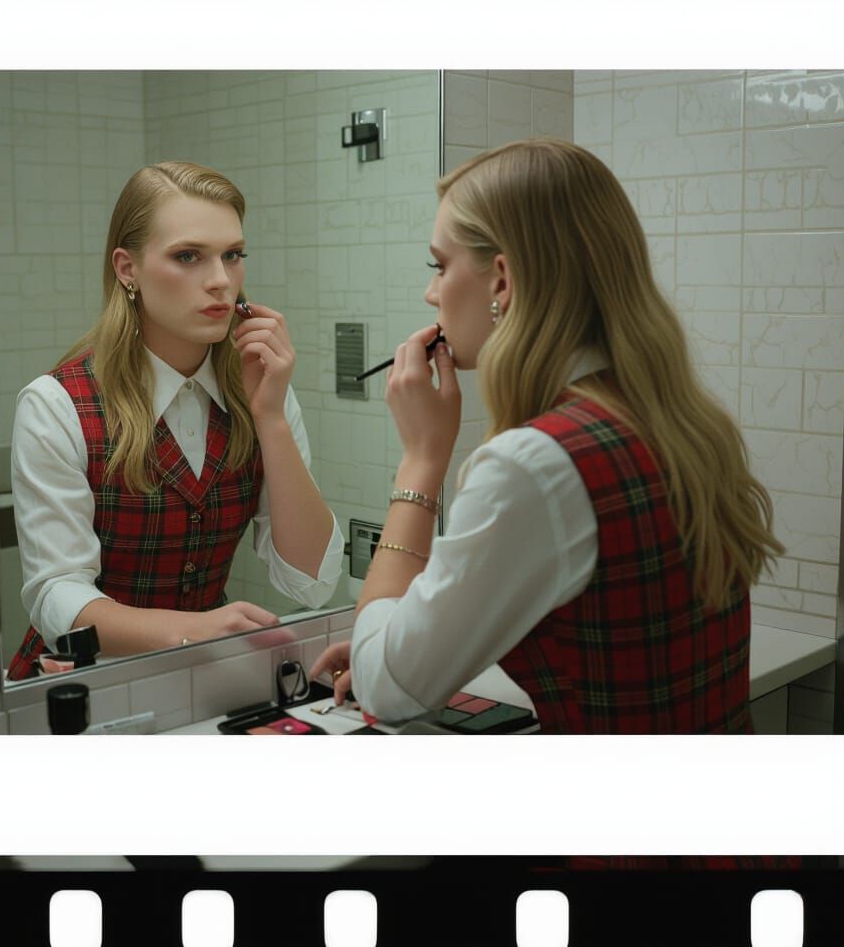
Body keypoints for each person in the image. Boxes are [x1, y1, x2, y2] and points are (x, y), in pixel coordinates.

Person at [310, 138, 784, 733]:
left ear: (501, 281)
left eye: (439, 265)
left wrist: (421, 461)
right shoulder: (680, 421)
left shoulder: (534, 467)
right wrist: (409, 643)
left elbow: (386, 692)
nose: (431, 294)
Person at [6, 161, 344, 680]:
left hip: (204, 683)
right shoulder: (55, 405)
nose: (219, 281)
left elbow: (312, 582)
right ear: (127, 269)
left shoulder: (262, 392)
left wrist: (271, 417)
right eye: (188, 256)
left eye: (233, 256)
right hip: (80, 685)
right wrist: (195, 630)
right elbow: (57, 595)